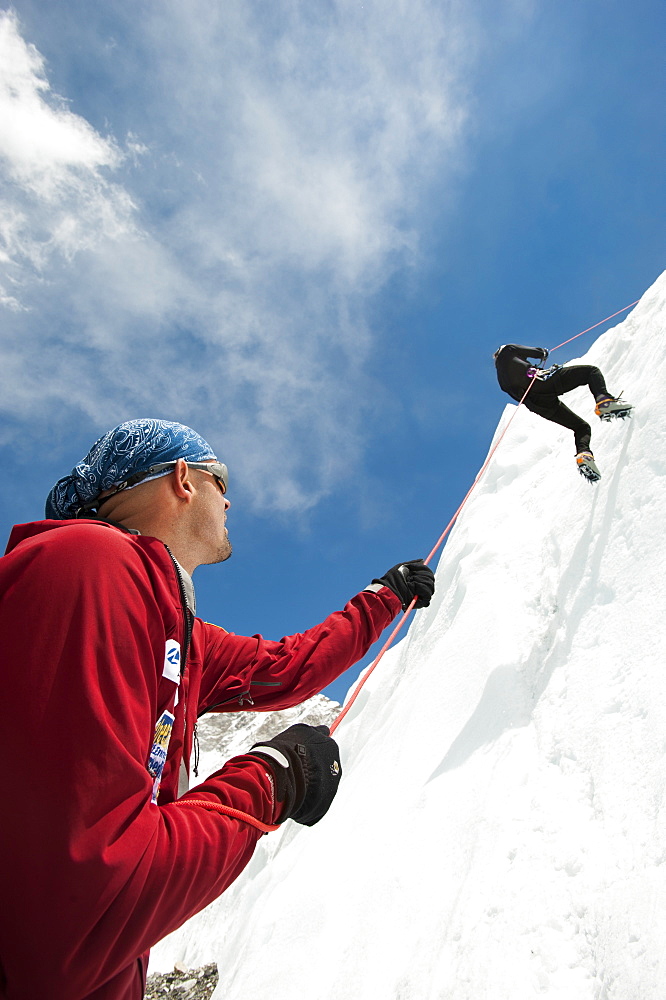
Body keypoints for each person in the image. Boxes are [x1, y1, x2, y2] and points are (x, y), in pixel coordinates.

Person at [0, 418, 435, 1000]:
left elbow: (290, 665)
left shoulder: (178, 632)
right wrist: (272, 779)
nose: (228, 498)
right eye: (218, 478)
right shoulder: (87, 562)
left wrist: (385, 597)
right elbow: (78, 905)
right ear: (183, 478)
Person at [493, 344, 633, 481]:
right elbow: (537, 352)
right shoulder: (508, 350)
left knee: (581, 427)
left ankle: (584, 455)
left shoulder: (501, 381)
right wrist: (542, 352)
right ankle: (604, 401)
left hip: (539, 405)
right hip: (542, 382)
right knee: (590, 372)